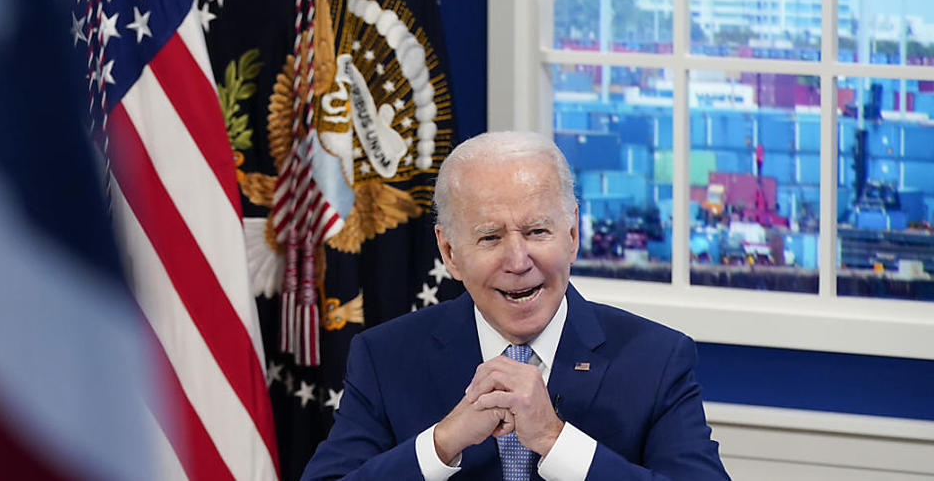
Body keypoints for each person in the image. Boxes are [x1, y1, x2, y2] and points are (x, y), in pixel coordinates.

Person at [301, 132, 728, 480]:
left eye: (538, 231)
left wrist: (555, 440)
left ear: (572, 235)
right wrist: (441, 443)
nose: (519, 261)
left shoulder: (657, 359)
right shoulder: (385, 357)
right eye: (490, 237)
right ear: (450, 252)